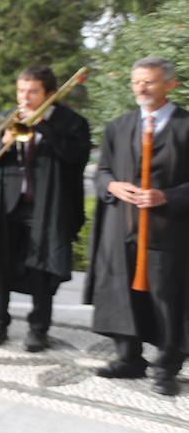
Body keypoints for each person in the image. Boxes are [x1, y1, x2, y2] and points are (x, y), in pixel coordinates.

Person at [85, 57, 188, 396]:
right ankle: (129, 359)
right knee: (122, 294)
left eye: (150, 82)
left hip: (168, 233)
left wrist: (168, 196)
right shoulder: (119, 126)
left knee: (168, 299)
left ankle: (166, 367)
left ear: (170, 85)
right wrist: (113, 187)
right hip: (123, 228)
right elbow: (103, 173)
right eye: (136, 82)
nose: (141, 88)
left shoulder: (186, 126)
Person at [0, 67, 91, 351]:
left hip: (48, 207)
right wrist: (1, 145)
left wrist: (43, 127)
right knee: (0, 263)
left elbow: (77, 157)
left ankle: (39, 328)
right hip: (7, 204)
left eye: (32, 92)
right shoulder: (5, 119)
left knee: (42, 267)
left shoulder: (71, 122)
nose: (24, 97)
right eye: (20, 91)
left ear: (49, 94)